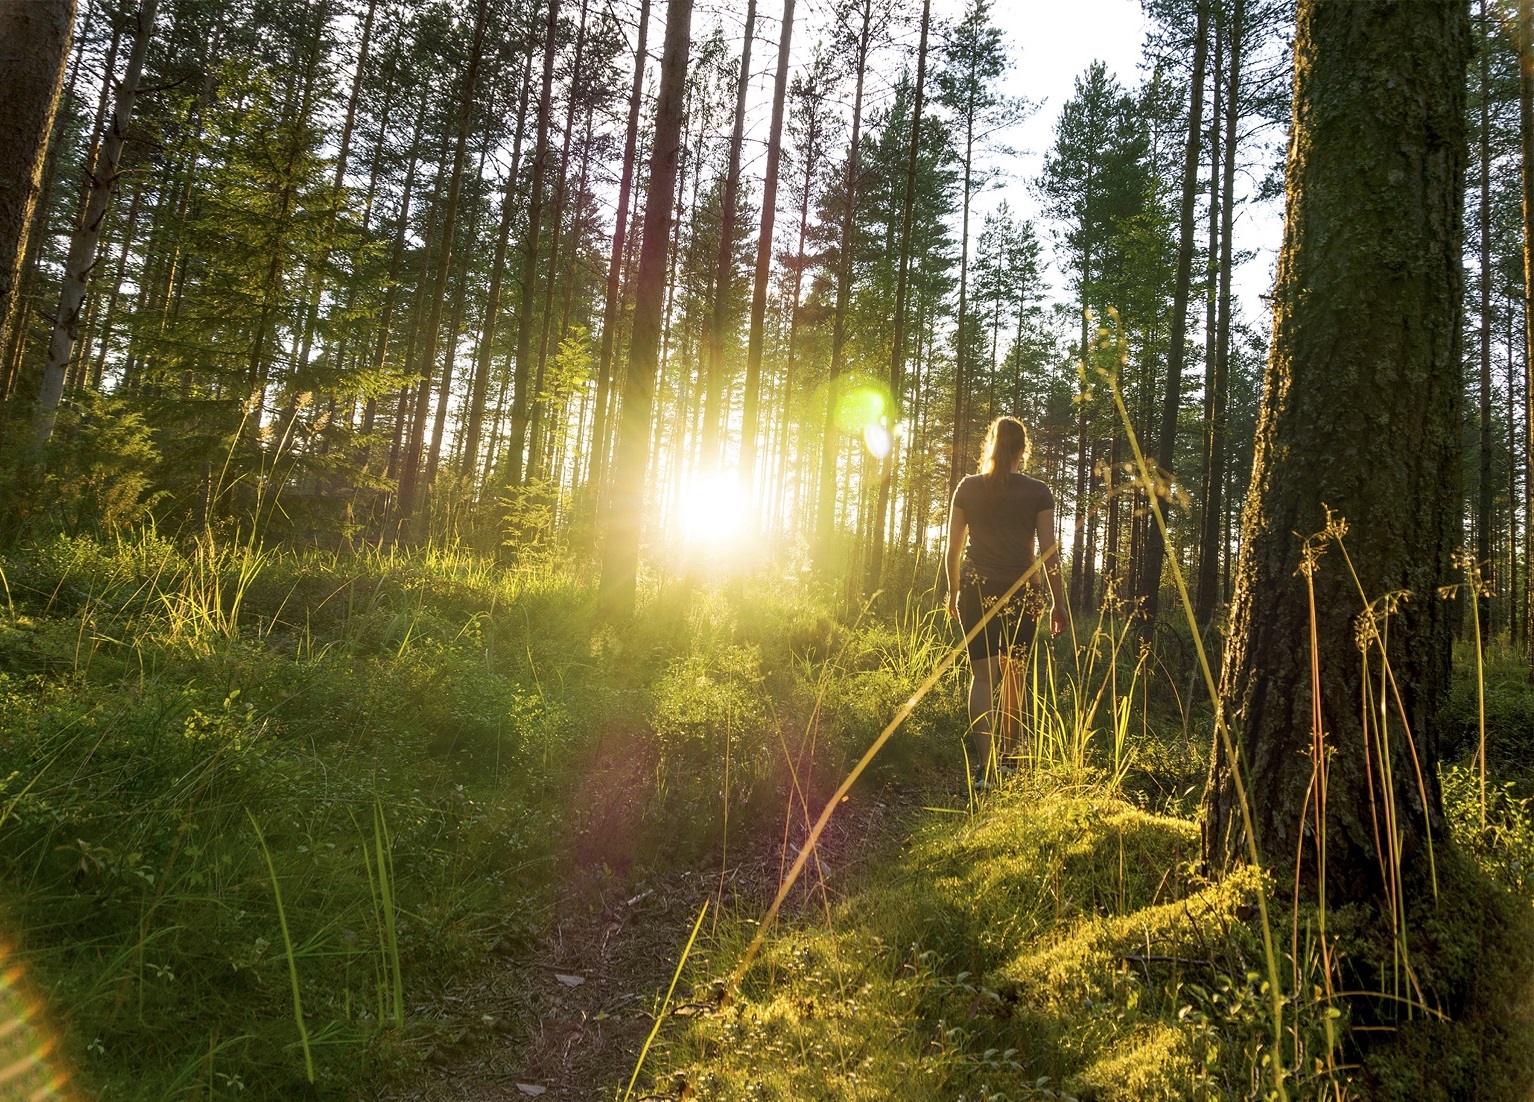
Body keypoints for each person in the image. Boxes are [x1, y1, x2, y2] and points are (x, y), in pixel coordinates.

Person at [943, 416, 1068, 789]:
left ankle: (986, 769)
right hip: (1023, 594)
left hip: (976, 592)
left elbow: (952, 548)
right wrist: (1058, 603)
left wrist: (953, 591)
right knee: (1015, 675)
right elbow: (1049, 552)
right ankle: (1010, 763)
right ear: (1022, 450)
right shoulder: (1038, 492)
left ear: (991, 445)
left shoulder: (967, 487)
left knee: (982, 677)